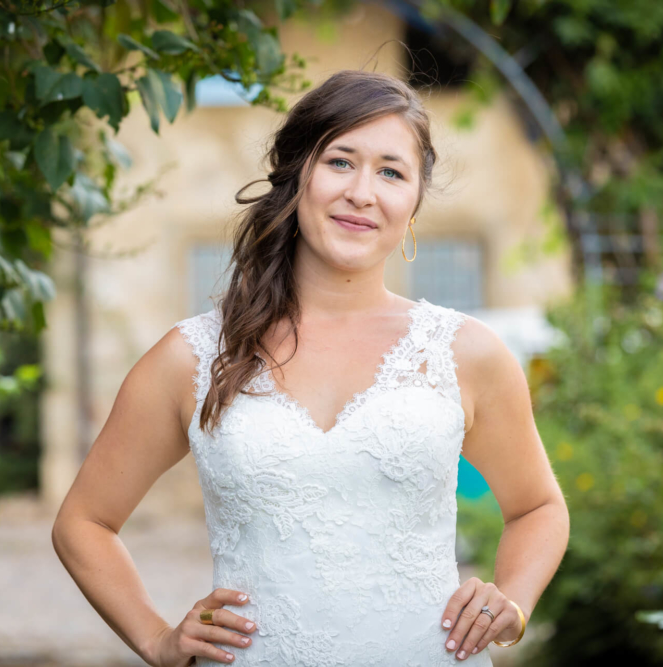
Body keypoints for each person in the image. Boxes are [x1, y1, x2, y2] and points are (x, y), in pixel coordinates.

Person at [52, 69, 570, 667]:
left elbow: (538, 507)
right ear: (296, 175)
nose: (362, 193)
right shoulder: (194, 356)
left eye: (392, 172)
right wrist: (157, 639)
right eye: (341, 162)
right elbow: (84, 521)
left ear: (413, 205)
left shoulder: (465, 353)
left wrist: (513, 600)